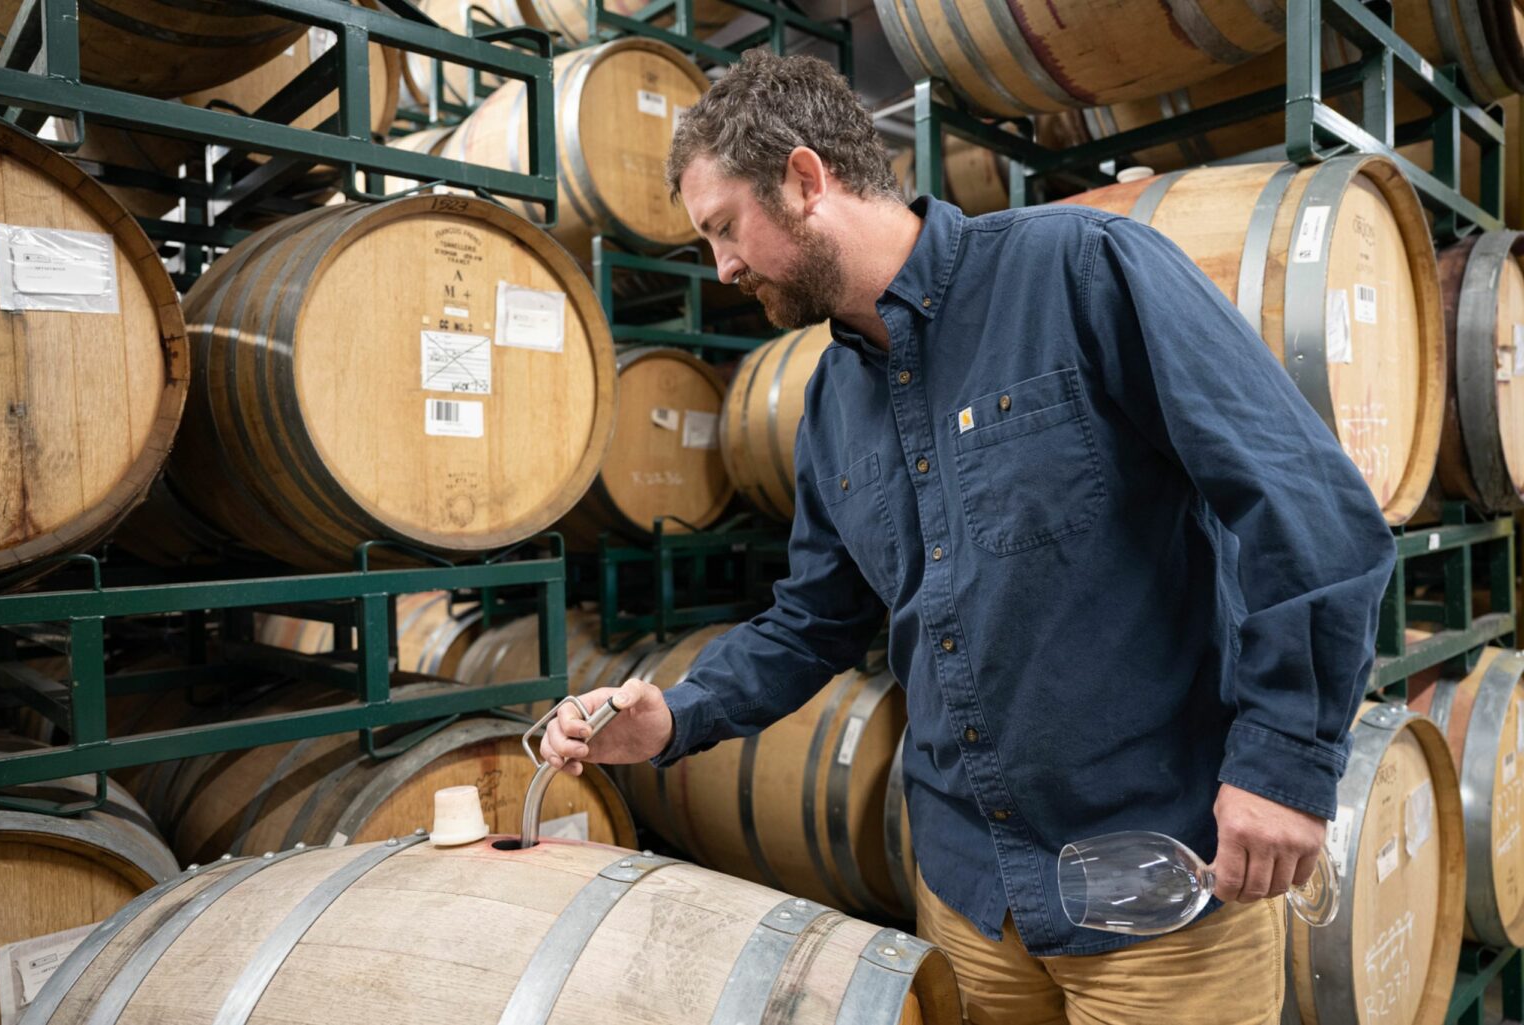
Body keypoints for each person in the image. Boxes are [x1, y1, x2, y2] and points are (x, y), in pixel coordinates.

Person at [539, 50, 1395, 1025]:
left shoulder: (1081, 272)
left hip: (1157, 894)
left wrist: (1283, 761)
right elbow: (814, 620)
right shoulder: (829, 402)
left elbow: (1310, 505)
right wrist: (679, 714)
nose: (723, 267)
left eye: (725, 229)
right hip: (968, 897)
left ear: (806, 179)